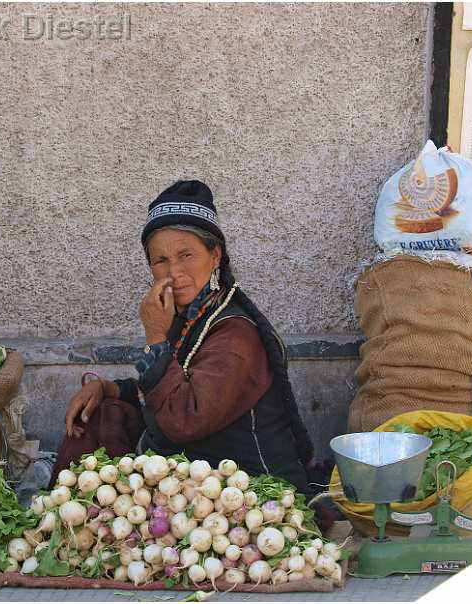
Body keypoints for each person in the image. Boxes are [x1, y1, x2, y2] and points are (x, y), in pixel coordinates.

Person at [50, 180, 334, 526]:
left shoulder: (236, 333)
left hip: (246, 495)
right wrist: (108, 389)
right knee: (104, 414)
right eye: (160, 260)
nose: (174, 272)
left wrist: (155, 337)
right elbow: (171, 382)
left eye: (187, 255)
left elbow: (184, 418)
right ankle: (66, 516)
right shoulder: (193, 317)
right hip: (196, 482)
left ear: (215, 256)